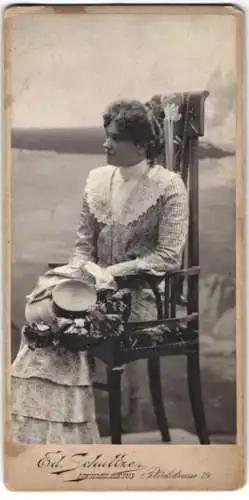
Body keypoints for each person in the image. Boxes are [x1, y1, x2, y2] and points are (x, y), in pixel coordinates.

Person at [11, 98, 188, 443]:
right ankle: (48, 436)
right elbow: (83, 246)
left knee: (71, 326)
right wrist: (77, 275)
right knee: (44, 315)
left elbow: (168, 257)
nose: (105, 144)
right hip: (94, 287)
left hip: (141, 296)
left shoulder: (168, 187)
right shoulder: (97, 180)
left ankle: (71, 436)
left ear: (140, 144)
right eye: (105, 135)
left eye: (115, 138)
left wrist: (112, 273)